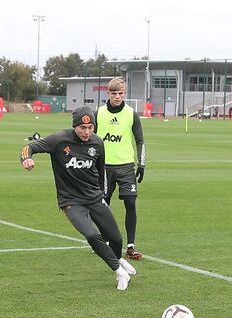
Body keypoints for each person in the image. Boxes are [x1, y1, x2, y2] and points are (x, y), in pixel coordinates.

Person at [21, 106, 137, 290]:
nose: (87, 131)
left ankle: (118, 259)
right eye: (83, 128)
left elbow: (101, 174)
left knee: (115, 238)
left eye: (91, 127)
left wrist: (103, 197)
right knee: (91, 234)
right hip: (71, 201)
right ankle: (118, 271)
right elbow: (29, 147)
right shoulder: (59, 139)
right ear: (75, 126)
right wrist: (26, 159)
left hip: (95, 197)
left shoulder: (98, 143)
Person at [94, 78, 146, 260]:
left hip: (125, 166)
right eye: (114, 93)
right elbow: (88, 138)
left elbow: (140, 140)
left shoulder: (132, 114)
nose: (117, 97)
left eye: (121, 93)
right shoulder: (98, 113)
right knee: (102, 206)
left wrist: (141, 164)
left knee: (131, 202)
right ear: (108, 93)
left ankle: (130, 246)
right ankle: (105, 241)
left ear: (125, 93)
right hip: (104, 166)